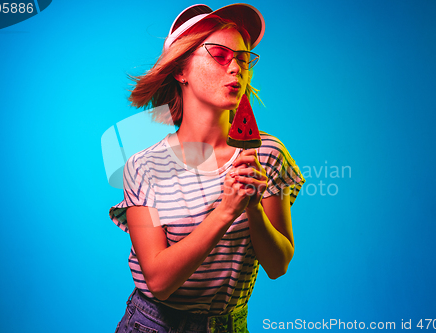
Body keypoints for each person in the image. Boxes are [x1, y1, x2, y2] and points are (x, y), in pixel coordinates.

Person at [109, 4, 305, 332]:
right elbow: (158, 281)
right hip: (154, 324)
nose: (236, 69)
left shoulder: (267, 154)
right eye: (219, 54)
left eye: (243, 59)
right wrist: (227, 210)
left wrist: (253, 208)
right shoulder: (143, 167)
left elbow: (278, 265)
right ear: (180, 70)